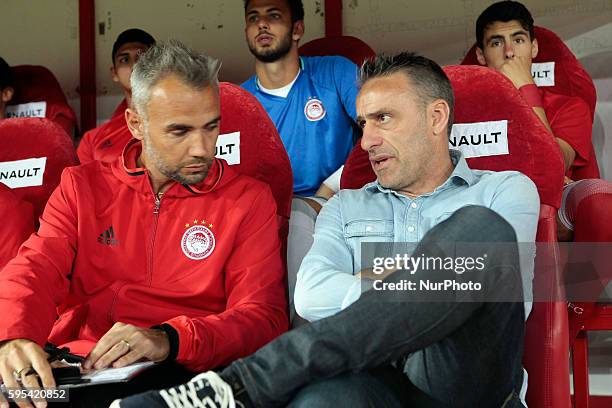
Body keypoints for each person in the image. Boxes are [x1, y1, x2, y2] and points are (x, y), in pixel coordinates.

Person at [114, 52, 540, 408]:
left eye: (383, 119)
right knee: (322, 400)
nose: (367, 140)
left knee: (479, 231)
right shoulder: (344, 206)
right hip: (376, 381)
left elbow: (498, 294)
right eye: (363, 123)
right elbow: (311, 295)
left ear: (436, 117)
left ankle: (242, 385)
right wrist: (421, 281)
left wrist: (375, 284)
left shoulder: (505, 191)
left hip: (466, 381)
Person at [0, 41, 287, 408]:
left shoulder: (248, 200)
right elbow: (35, 268)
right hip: (83, 367)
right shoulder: (81, 187)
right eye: (180, 131)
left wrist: (169, 339)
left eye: (211, 127)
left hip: (186, 370)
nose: (202, 147)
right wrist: (13, 337)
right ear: (136, 124)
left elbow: (263, 317)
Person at [474, 0, 612, 340]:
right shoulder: (463, 106)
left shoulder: (568, 105)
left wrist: (526, 91)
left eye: (518, 40)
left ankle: (571, 317)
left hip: (549, 206)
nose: (509, 52)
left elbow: (551, 166)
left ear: (534, 47)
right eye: (496, 42)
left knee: (600, 201)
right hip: (482, 210)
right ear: (480, 56)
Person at [241, 0, 359, 199]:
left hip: (343, 199)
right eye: (253, 18)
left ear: (297, 29)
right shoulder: (239, 102)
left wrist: (333, 185)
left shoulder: (336, 71)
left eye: (274, 15)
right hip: (271, 212)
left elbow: (382, 131)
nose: (261, 24)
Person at [77, 29, 156, 164]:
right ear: (114, 73)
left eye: (142, 57)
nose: (134, 66)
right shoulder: (92, 140)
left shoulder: (183, 121)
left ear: (158, 67)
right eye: (124, 60)